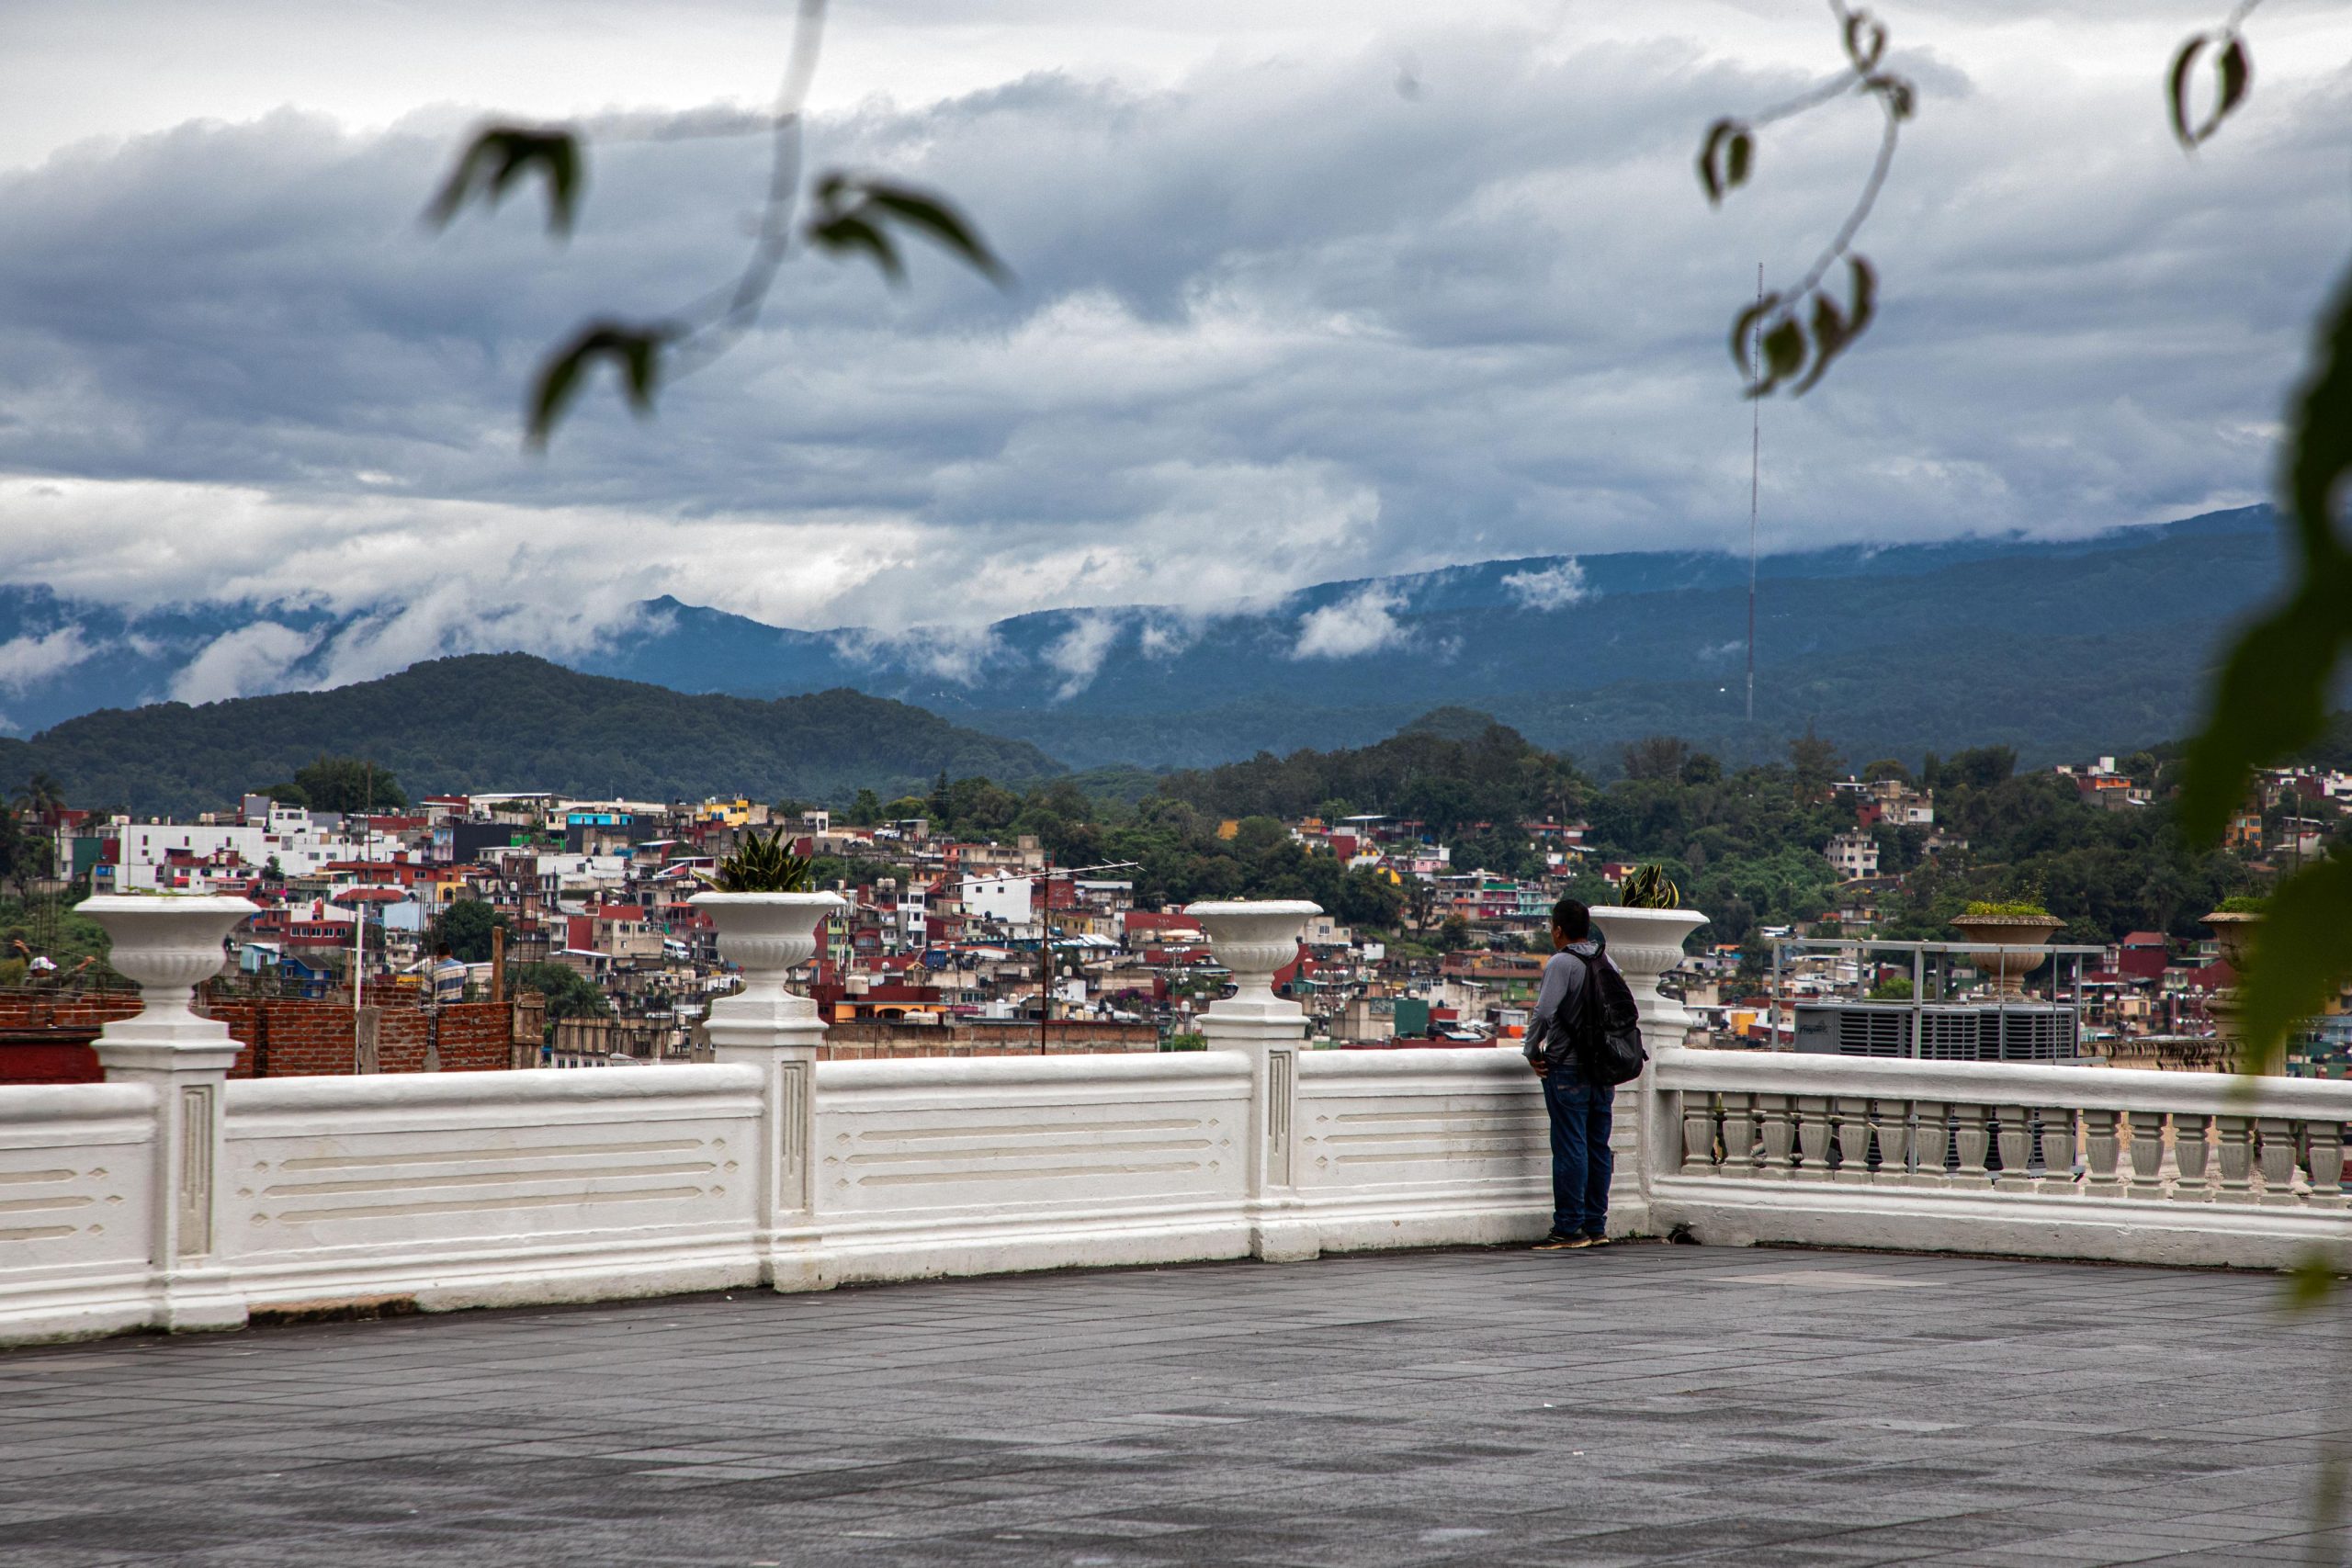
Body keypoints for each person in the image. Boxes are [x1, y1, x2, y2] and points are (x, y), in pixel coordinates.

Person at [1523, 896, 1617, 1251]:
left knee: (1570, 1148)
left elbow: (1544, 1012)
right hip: (1603, 1069)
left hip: (1567, 1067)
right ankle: (1596, 1225)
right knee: (1597, 1147)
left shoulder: (1562, 963)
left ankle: (1568, 1227)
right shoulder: (1606, 959)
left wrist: (1531, 1050)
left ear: (1558, 930)